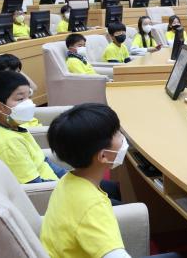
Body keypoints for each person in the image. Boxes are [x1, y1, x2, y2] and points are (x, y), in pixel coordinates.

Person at [39, 103, 128, 257]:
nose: (123, 137)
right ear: (103, 156)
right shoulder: (93, 206)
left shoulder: (67, 181)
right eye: (117, 133)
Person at [0, 71, 65, 183]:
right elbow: (34, 185)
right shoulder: (8, 143)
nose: (29, 103)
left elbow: (43, 161)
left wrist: (69, 177)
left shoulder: (14, 127)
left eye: (29, 97)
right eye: (20, 99)